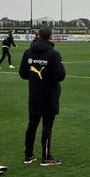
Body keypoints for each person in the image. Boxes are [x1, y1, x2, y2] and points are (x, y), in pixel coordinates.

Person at [18, 27, 66, 165]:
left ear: (38, 36)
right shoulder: (53, 54)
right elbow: (60, 75)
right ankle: (46, 157)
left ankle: (28, 155)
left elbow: (22, 73)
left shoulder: (28, 52)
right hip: (49, 95)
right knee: (47, 126)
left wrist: (36, 77)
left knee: (32, 124)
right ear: (50, 36)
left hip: (34, 94)